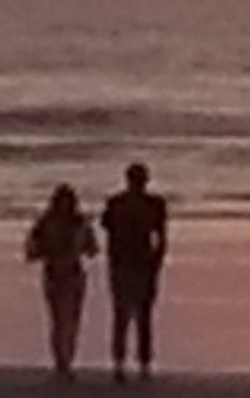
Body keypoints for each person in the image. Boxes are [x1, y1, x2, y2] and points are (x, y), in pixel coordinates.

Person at [99, 161, 169, 381]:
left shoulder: (120, 203)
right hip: (134, 263)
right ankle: (135, 364)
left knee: (129, 316)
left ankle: (129, 364)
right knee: (136, 316)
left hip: (133, 263)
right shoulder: (149, 204)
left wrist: (156, 261)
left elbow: (160, 236)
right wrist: (157, 260)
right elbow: (161, 237)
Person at [23, 184, 97, 380]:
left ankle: (67, 360)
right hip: (55, 273)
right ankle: (61, 362)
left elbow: (92, 249)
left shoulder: (79, 223)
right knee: (59, 319)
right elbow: (31, 251)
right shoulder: (46, 223)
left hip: (73, 272)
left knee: (72, 319)